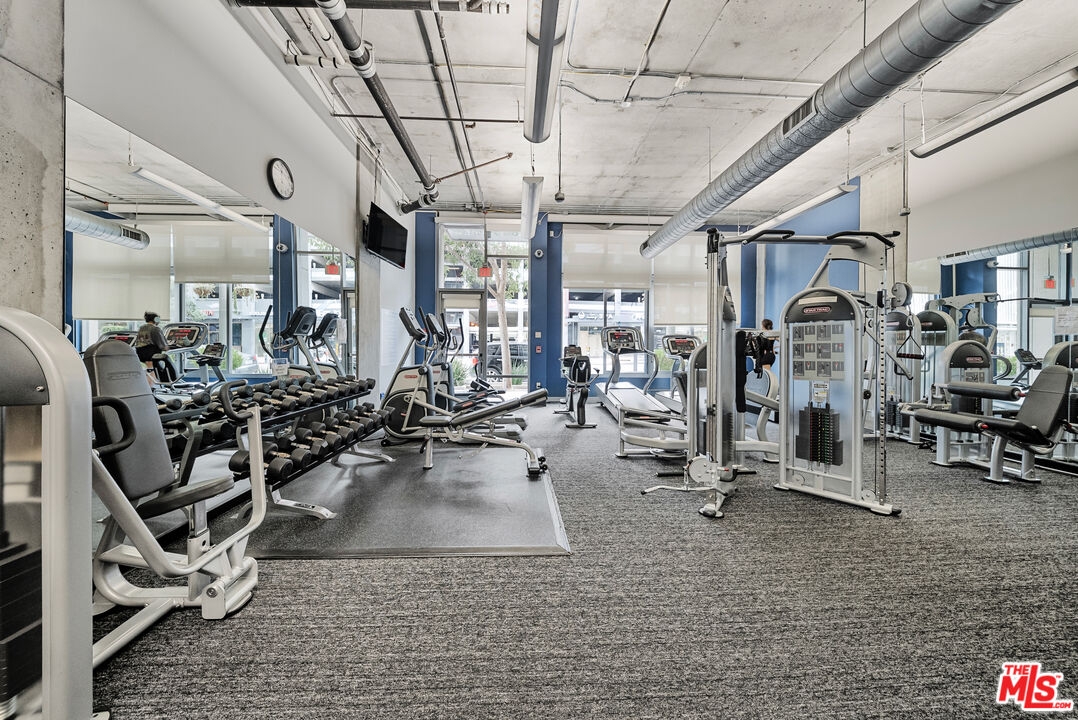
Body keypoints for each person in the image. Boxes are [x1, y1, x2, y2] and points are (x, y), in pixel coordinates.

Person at [135, 311, 169, 381]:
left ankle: (149, 386)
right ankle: (151, 387)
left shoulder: (141, 328)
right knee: (153, 370)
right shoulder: (155, 329)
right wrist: (167, 347)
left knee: (149, 369)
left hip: (140, 353)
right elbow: (162, 345)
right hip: (151, 353)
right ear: (156, 320)